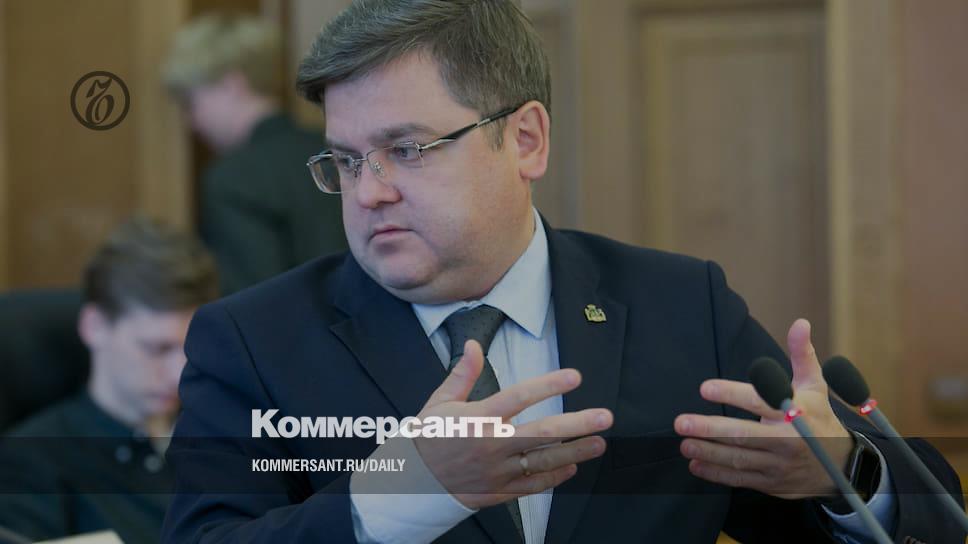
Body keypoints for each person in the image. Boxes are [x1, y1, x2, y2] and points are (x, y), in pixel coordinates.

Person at [161, 1, 965, 543]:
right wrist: (398, 495)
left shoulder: (681, 308)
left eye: (406, 149)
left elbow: (932, 518)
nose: (369, 192)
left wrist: (842, 474)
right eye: (345, 160)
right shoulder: (254, 342)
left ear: (526, 140)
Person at [0, 217, 218, 544]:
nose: (180, 373)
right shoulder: (32, 461)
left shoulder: (224, 433)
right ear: (95, 327)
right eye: (157, 349)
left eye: (192, 348)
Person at [163, 14, 347, 295]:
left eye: (191, 102)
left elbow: (251, 297)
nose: (192, 122)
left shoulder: (232, 179)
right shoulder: (334, 151)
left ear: (231, 84)